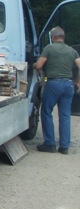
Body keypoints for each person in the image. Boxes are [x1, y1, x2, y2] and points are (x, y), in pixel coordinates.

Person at [33, 26, 80, 154]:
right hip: (68, 85)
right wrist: (78, 80)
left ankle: (50, 144)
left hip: (53, 84)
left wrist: (34, 65)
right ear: (63, 38)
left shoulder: (49, 48)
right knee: (65, 116)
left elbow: (39, 65)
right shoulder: (72, 51)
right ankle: (64, 147)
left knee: (46, 112)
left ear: (53, 37)